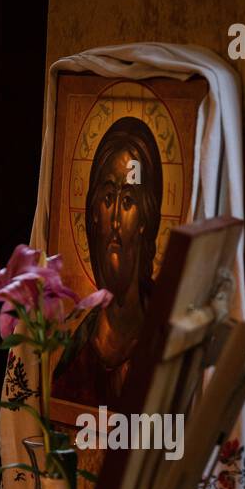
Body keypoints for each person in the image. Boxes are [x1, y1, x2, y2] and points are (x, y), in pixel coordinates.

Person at [53, 115, 163, 406]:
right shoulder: (73, 354)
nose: (114, 219)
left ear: (145, 219)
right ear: (93, 213)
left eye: (128, 201)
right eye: (107, 198)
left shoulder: (163, 339)